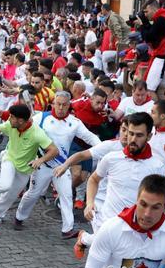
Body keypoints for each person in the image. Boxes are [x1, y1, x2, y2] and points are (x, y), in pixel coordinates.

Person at [13, 91, 100, 238]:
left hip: (61, 167)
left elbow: (90, 137)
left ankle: (67, 229)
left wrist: (104, 148)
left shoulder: (75, 123)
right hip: (42, 165)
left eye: (64, 105)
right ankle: (19, 217)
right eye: (58, 104)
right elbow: (25, 130)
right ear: (53, 103)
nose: (60, 108)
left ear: (69, 105)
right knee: (33, 194)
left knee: (66, 195)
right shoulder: (41, 117)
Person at [0, 103, 59, 234]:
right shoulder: (10, 124)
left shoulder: (37, 133)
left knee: (8, 198)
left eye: (12, 117)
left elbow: (54, 150)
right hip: (9, 159)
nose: (9, 119)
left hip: (24, 170)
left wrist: (40, 160)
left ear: (21, 121)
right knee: (5, 185)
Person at [83, 113, 165, 233]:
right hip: (106, 225)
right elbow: (93, 179)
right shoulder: (111, 158)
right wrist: (89, 202)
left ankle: (85, 238)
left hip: (135, 230)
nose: (133, 139)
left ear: (149, 136)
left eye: (139, 135)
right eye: (131, 133)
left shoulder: (157, 167)